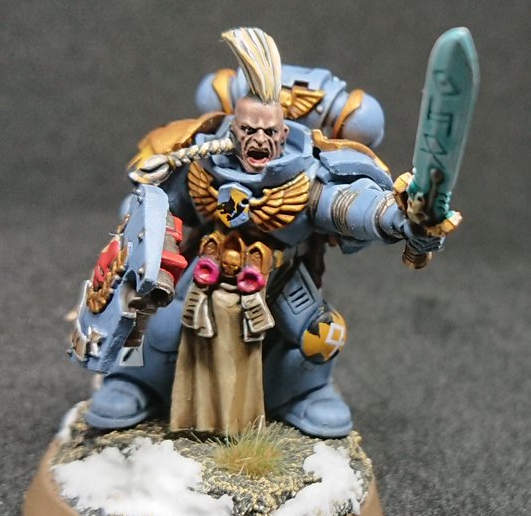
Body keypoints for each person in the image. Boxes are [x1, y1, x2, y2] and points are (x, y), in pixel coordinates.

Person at [77, 27, 444, 438]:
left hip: (279, 280)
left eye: (269, 132)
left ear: (284, 133)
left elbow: (347, 206)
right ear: (233, 129)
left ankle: (304, 394)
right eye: (249, 130)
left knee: (317, 338)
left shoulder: (306, 178)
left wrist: (397, 219)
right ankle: (135, 382)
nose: (259, 141)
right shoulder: (202, 163)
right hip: (205, 270)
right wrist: (147, 231)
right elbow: (157, 203)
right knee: (156, 323)